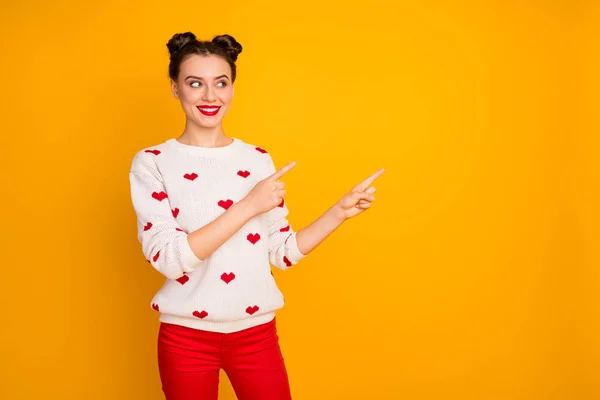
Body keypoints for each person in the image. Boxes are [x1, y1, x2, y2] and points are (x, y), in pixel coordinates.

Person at [128, 32, 385, 400]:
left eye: (221, 83)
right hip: (186, 339)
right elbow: (169, 259)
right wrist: (249, 205)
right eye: (194, 83)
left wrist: (338, 213)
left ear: (233, 87)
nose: (210, 96)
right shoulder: (152, 162)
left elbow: (281, 253)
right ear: (175, 88)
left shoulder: (256, 159)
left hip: (257, 336)